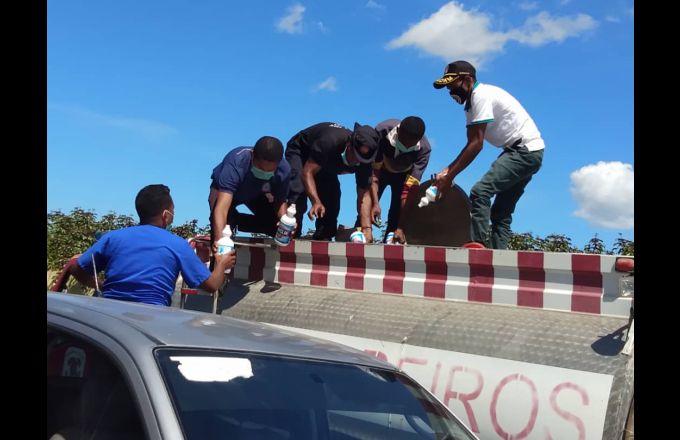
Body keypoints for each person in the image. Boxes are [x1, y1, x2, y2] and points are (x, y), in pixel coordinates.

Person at [432, 60, 545, 249]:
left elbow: (477, 144)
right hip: (528, 151)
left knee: (480, 192)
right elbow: (471, 142)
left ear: (468, 79)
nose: (451, 91)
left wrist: (450, 175)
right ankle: (498, 256)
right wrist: (447, 170)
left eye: (453, 85)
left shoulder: (480, 96)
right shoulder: (471, 105)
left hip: (523, 151)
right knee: (501, 213)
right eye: (448, 87)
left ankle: (477, 245)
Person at [70, 184, 237, 306]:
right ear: (166, 215)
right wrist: (222, 263)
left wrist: (100, 284)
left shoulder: (112, 238)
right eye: (173, 211)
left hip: (110, 313)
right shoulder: (177, 245)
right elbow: (211, 285)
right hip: (152, 318)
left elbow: (77, 268)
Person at [285, 122, 379, 240]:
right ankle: (291, 234)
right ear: (349, 144)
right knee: (298, 191)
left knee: (332, 197)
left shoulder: (365, 163)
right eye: (355, 157)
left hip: (326, 162)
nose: (356, 162)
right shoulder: (330, 140)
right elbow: (307, 173)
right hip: (302, 152)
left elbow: (364, 196)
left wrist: (366, 229)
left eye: (360, 160)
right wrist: (315, 201)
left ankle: (323, 237)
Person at [355, 116, 430, 243]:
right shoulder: (381, 132)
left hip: (403, 176)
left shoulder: (424, 150)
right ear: (399, 130)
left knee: (397, 210)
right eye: (403, 140)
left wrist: (400, 227)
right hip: (380, 171)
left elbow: (409, 190)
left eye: (410, 144)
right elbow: (374, 173)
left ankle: (393, 237)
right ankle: (361, 232)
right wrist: (376, 203)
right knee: (368, 202)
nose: (405, 145)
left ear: (418, 140)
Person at [208, 136, 291, 251]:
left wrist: (284, 220)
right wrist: (219, 240)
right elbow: (221, 208)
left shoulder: (284, 169)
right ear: (252, 155)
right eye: (261, 168)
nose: (264, 172)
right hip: (225, 192)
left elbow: (280, 200)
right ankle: (229, 222)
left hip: (257, 193)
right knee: (222, 241)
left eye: (270, 170)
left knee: (278, 228)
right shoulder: (236, 161)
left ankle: (235, 220)